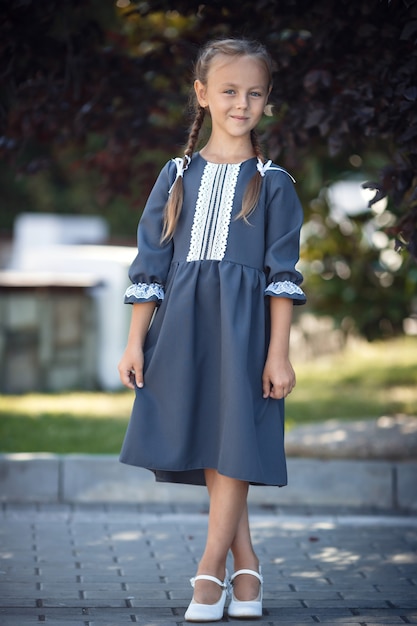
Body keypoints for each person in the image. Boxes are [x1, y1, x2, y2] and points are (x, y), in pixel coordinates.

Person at [118, 37, 306, 622]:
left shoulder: (274, 181)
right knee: (217, 443)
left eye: (254, 93)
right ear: (202, 95)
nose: (240, 103)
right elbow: (150, 263)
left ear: (267, 102)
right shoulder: (175, 175)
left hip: (245, 333)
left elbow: (282, 277)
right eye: (228, 91)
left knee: (235, 443)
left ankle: (209, 573)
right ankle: (245, 571)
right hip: (182, 328)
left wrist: (279, 354)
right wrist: (133, 341)